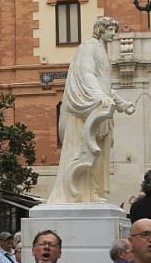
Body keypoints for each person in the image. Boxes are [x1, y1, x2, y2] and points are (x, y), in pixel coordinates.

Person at [49, 15, 136, 203]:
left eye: (114, 30)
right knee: (87, 152)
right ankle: (84, 193)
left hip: (99, 110)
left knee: (98, 156)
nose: (113, 34)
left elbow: (104, 85)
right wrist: (99, 97)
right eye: (110, 30)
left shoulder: (102, 51)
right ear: (100, 30)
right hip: (86, 112)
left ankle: (93, 192)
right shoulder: (89, 47)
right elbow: (86, 73)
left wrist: (122, 103)